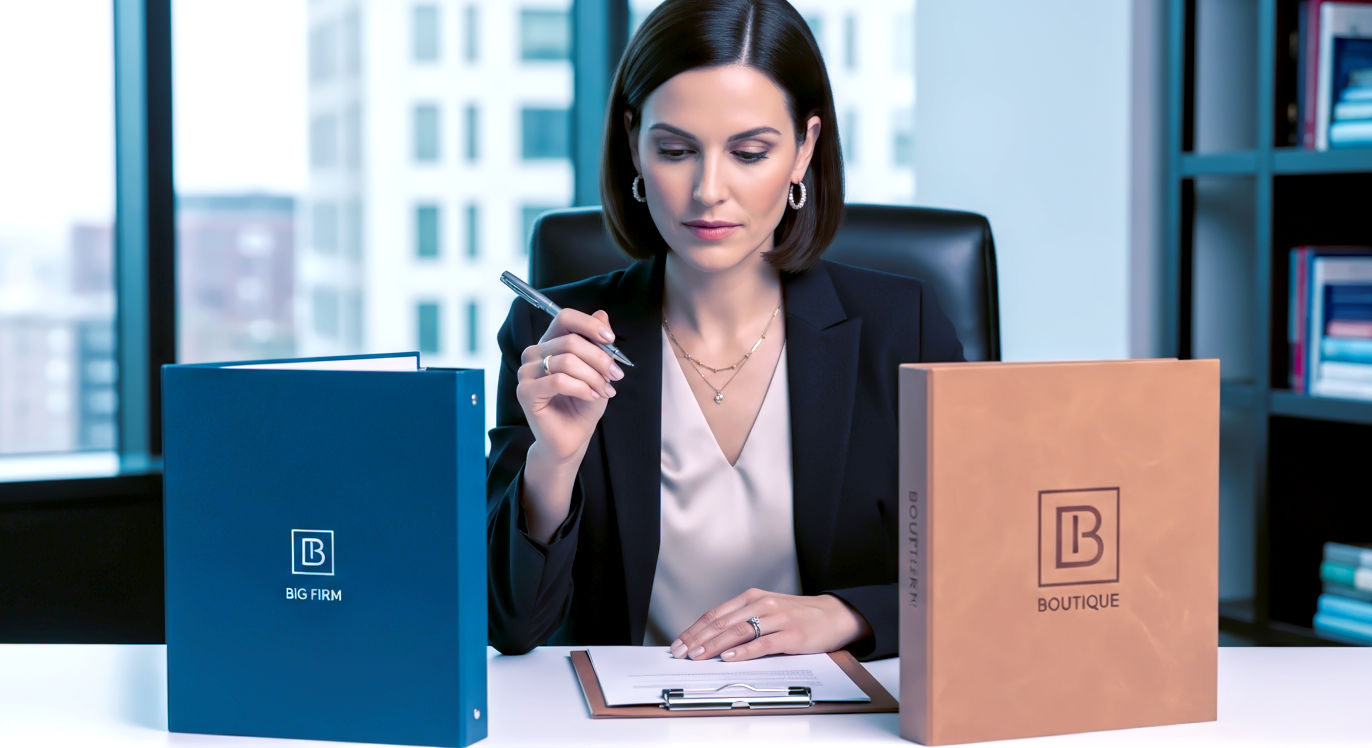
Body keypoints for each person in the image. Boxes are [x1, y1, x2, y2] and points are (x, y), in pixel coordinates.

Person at [487, 0, 963, 662]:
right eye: (676, 150)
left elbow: (982, 575)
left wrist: (847, 614)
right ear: (634, 144)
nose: (709, 189)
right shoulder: (554, 341)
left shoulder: (901, 328)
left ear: (805, 149)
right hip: (619, 729)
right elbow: (512, 628)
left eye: (749, 152)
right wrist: (554, 463)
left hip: (846, 721)